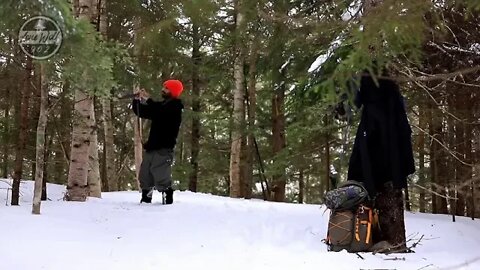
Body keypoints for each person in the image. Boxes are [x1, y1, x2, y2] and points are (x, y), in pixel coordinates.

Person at [132, 79, 184, 204]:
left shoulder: (175, 107)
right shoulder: (163, 105)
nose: (163, 90)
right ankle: (146, 198)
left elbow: (158, 112)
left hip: (164, 148)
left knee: (161, 175)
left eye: (166, 88)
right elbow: (144, 112)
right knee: (145, 175)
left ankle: (167, 200)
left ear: (172, 91)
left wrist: (148, 99)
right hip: (153, 147)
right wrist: (137, 101)